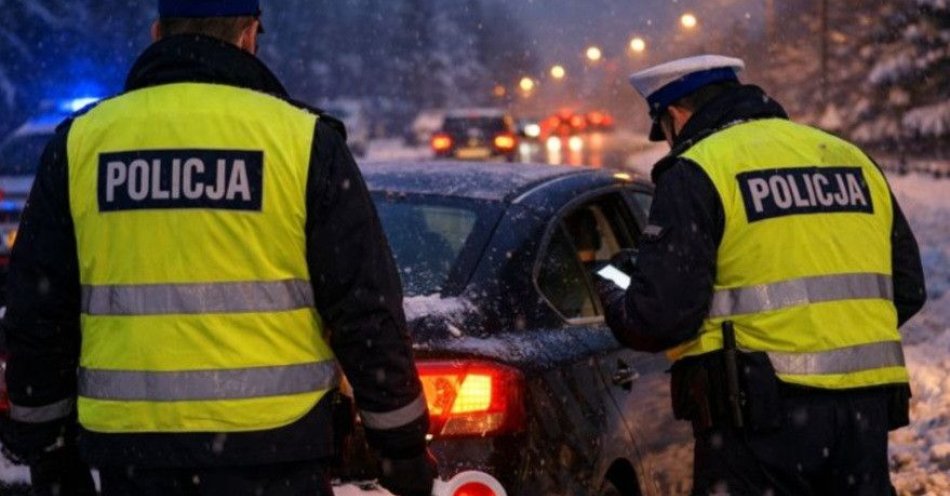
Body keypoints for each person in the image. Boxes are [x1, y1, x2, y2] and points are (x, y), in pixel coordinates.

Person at [0, 1, 437, 495]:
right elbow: (365, 306)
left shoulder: (81, 144)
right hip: (277, 452)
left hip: (130, 458)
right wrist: (399, 444)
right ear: (249, 35)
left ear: (158, 33)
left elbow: (37, 311)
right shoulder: (302, 141)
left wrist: (48, 447)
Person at [596, 54, 926, 495]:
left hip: (757, 418)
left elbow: (662, 318)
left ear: (675, 116)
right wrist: (832, 340)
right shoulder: (851, 159)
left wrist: (613, 289)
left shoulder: (699, 169)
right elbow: (906, 288)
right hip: (864, 414)